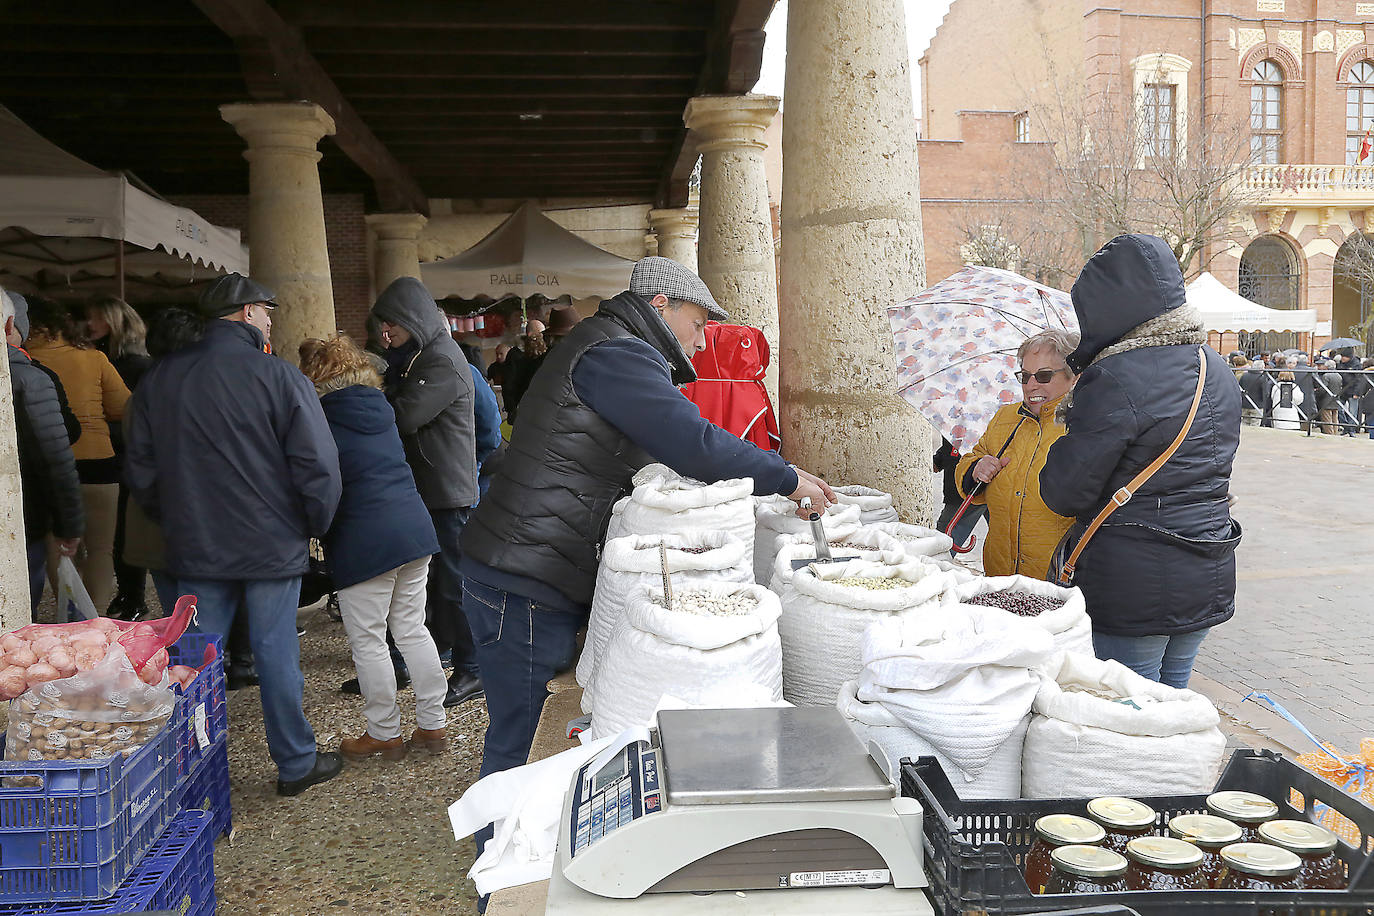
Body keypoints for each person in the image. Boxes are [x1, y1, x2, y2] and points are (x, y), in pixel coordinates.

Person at [460, 255, 835, 801]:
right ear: (662, 304)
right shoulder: (616, 354)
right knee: (522, 738)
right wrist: (785, 477)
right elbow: (693, 443)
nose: (703, 341)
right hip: (523, 570)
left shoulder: (608, 344)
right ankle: (501, 869)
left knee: (530, 724)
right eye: (700, 323)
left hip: (529, 558)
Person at [126, 273, 344, 796]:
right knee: (275, 653)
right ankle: (295, 763)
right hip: (272, 541)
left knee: (192, 659)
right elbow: (318, 465)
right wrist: (314, 525)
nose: (270, 318)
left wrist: (175, 513)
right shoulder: (280, 377)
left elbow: (140, 468)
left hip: (195, 543)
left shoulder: (159, 379)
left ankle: (187, 768)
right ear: (246, 313)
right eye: (266, 309)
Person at [1040, 234, 1241, 689]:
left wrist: (1066, 429)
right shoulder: (1217, 367)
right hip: (1206, 562)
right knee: (1170, 705)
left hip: (1135, 581)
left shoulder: (1116, 375)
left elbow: (1064, 491)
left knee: (1131, 714)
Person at [301, 336, 449, 761]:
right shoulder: (379, 407)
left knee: (369, 640)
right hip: (412, 526)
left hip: (364, 535)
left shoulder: (320, 416)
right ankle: (433, 726)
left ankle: (384, 732)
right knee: (412, 628)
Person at [370, 277, 483, 709]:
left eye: (391, 326)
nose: (386, 335)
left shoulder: (440, 361)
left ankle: (473, 669)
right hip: (434, 490)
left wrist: (368, 395)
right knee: (437, 585)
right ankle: (445, 654)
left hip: (447, 494)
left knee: (454, 585)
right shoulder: (421, 356)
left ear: (412, 320)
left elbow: (404, 416)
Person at [24, 296, 131, 613]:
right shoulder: (93, 357)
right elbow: (124, 407)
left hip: (48, 464)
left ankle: (71, 614)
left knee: (57, 547)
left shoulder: (22, 359)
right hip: (99, 462)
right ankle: (96, 616)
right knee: (101, 548)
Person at [956, 330, 1080, 579]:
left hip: (1054, 580)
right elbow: (972, 459)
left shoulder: (1085, 425)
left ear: (1074, 377)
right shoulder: (1005, 418)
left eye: (1044, 376)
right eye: (1024, 376)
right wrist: (975, 468)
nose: (1031, 385)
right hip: (999, 576)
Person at [119, 308, 204, 617]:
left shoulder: (142, 392)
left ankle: (188, 661)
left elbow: (137, 459)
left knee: (177, 617)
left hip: (153, 518)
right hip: (197, 521)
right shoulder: (205, 392)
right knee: (202, 616)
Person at [4, 289, 83, 611]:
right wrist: (69, 526)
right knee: (16, 627)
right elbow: (56, 460)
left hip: (24, 522)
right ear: (11, 325)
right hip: (19, 524)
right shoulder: (30, 379)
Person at [85, 296, 154, 619]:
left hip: (125, 459)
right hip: (118, 459)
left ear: (113, 323)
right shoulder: (114, 362)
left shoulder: (134, 367)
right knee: (119, 533)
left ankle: (132, 596)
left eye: (96, 318)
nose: (88, 324)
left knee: (124, 533)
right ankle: (130, 596)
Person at [932, 438, 987, 552]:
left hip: (972, 487)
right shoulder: (956, 422)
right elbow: (952, 445)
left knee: (943, 540)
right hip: (962, 487)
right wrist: (939, 460)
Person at [1238, 358, 1272, 426]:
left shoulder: (1244, 376)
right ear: (1262, 368)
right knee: (1255, 425)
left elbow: (1240, 389)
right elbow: (1265, 393)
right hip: (1257, 405)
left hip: (1244, 404)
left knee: (1244, 424)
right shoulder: (1262, 378)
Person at [1315, 359, 1343, 435]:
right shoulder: (1338, 375)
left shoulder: (1326, 375)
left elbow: (1324, 389)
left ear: (1326, 367)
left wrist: (1316, 393)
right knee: (1335, 419)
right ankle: (1335, 433)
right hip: (1336, 400)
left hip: (1326, 401)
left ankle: (1330, 435)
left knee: (1327, 420)